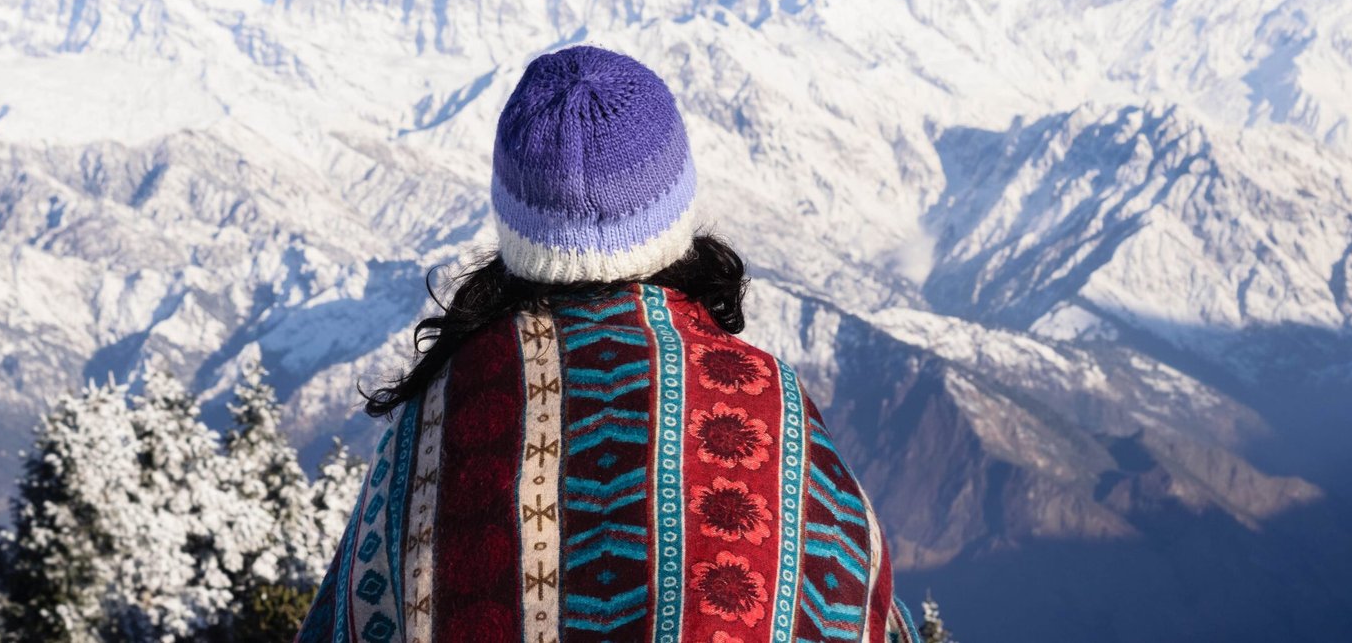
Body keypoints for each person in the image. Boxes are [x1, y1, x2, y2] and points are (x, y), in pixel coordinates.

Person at [296, 45, 918, 643]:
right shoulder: (762, 403)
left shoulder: (436, 412)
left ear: (513, 221)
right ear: (676, 208)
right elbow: (847, 600)